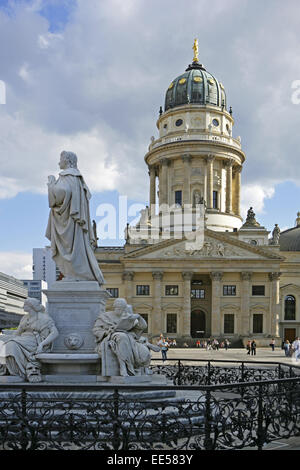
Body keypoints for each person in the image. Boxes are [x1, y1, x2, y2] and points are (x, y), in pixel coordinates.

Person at [46, 150, 104, 285]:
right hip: (69, 219)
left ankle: (75, 273)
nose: (59, 161)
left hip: (69, 221)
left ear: (67, 160)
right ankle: (74, 273)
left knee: (72, 248)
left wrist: (51, 185)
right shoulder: (75, 177)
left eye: (61, 158)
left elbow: (62, 193)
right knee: (74, 248)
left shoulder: (68, 176)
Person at [93, 298, 159, 376]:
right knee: (122, 336)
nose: (120, 310)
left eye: (122, 308)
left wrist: (139, 318)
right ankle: (123, 366)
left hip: (129, 338)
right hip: (113, 336)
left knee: (143, 348)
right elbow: (96, 330)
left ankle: (144, 367)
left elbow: (142, 326)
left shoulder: (127, 316)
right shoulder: (105, 316)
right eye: (118, 308)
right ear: (114, 307)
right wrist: (107, 332)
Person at [0, 298, 58, 382]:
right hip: (23, 339)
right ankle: (7, 368)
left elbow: (55, 333)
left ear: (32, 306)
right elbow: (18, 332)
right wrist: (8, 339)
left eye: (25, 305)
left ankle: (17, 371)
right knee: (3, 343)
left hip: (35, 341)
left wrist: (42, 345)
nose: (23, 306)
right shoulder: (25, 318)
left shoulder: (44, 318)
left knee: (12, 345)